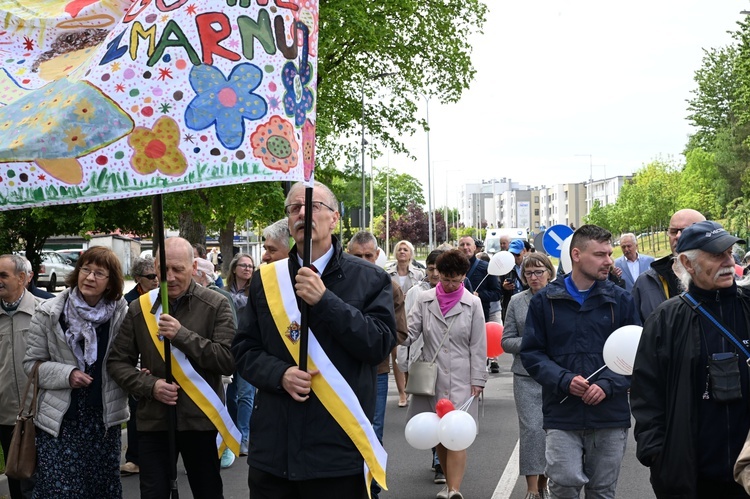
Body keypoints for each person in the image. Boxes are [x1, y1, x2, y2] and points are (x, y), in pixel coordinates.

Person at [232, 181, 397, 499]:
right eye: (294, 208)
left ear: (334, 218)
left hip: (336, 455)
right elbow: (243, 349)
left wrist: (325, 302)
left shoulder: (371, 278)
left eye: (313, 206)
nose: (302, 213)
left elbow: (378, 344)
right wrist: (279, 374)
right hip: (273, 454)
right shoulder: (265, 281)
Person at [108, 237, 236, 499]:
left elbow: (227, 359)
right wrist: (149, 386)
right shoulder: (138, 308)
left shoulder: (216, 304)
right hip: (154, 420)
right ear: (155, 266)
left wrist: (182, 336)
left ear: (194, 266)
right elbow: (117, 362)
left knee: (207, 491)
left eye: (178, 269)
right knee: (153, 493)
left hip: (200, 420)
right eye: (164, 269)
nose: (171, 277)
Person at [631, 221, 750, 498]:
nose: (728, 262)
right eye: (717, 255)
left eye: (730, 253)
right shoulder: (666, 319)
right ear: (687, 262)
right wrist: (658, 457)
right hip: (692, 477)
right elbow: (646, 395)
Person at [520, 225, 640, 499]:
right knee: (563, 486)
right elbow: (532, 353)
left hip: (610, 415)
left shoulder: (621, 300)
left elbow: (637, 353)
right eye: (600, 254)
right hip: (562, 415)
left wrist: (609, 385)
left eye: (610, 254)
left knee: (601, 492)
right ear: (576, 254)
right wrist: (564, 380)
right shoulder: (544, 301)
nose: (609, 260)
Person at [24, 246, 129, 498]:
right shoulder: (49, 313)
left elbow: (129, 360)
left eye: (99, 273)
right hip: (61, 423)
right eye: (86, 270)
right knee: (62, 492)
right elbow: (31, 365)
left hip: (102, 425)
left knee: (101, 491)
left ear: (110, 282)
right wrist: (67, 374)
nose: (90, 277)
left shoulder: (122, 314)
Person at [403, 249, 488, 499]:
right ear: (437, 274)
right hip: (433, 377)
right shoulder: (424, 299)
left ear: (463, 277)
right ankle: (448, 485)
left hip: (463, 378)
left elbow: (478, 344)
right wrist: (391, 333)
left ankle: (454, 490)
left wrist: (478, 380)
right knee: (439, 433)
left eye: (456, 280)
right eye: (446, 279)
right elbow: (411, 333)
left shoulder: (473, 303)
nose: (450, 285)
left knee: (457, 433)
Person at [347, 231, 407, 499]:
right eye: (357, 256)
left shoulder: (389, 286)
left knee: (372, 429)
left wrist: (370, 340)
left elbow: (401, 332)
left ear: (377, 255)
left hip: (376, 370)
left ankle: (371, 489)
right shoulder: (334, 284)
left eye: (368, 256)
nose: (363, 260)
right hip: (337, 370)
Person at [502, 253, 556, 499]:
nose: (533, 277)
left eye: (539, 272)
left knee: (550, 430)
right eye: (528, 273)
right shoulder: (516, 301)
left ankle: (545, 484)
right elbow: (506, 341)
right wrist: (532, 343)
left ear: (549, 272)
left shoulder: (559, 297)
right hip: (525, 376)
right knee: (532, 430)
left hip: (554, 375)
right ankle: (532, 489)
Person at [0, 254, 40, 499]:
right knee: (15, 476)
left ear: (23, 278)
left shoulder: (44, 312)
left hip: (38, 415)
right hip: (4, 415)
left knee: (39, 479)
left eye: (3, 275)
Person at [121, 256, 160, 477]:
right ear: (138, 279)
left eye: (157, 275)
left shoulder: (163, 297)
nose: (156, 280)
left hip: (162, 363)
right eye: (150, 276)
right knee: (136, 412)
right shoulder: (128, 302)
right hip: (138, 367)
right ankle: (134, 459)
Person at [632, 208, 705, 321]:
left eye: (685, 230)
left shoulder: (722, 278)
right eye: (673, 231)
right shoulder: (645, 283)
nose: (678, 236)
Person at [224, 252, 256, 462]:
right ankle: (232, 435)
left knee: (246, 393)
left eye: (250, 266)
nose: (247, 269)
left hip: (248, 348)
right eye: (243, 265)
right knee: (230, 395)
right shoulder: (223, 293)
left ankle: (244, 438)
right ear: (234, 268)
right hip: (227, 348)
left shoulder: (256, 292)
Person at [384, 240, 421, 407]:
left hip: (412, 316)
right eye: (399, 249)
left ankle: (411, 387)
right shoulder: (387, 273)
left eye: (406, 249)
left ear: (411, 254)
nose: (402, 252)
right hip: (395, 315)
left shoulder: (419, 273)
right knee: (396, 354)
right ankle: (402, 393)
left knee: (412, 354)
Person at [500, 239, 529, 322]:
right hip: (511, 304)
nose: (515, 257)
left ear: (524, 251)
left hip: (528, 303)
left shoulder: (530, 266)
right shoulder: (506, 267)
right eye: (512, 254)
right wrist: (504, 287)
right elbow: (497, 290)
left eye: (517, 254)